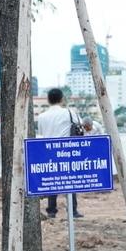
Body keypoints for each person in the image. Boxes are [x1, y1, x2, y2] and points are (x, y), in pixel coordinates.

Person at [37, 88, 84, 219]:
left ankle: (51, 211)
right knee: (70, 180)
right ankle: (73, 210)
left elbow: (41, 133)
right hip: (67, 151)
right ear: (62, 100)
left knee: (52, 181)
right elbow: (80, 124)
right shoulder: (69, 113)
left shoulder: (42, 116)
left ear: (47, 100)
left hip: (49, 152)